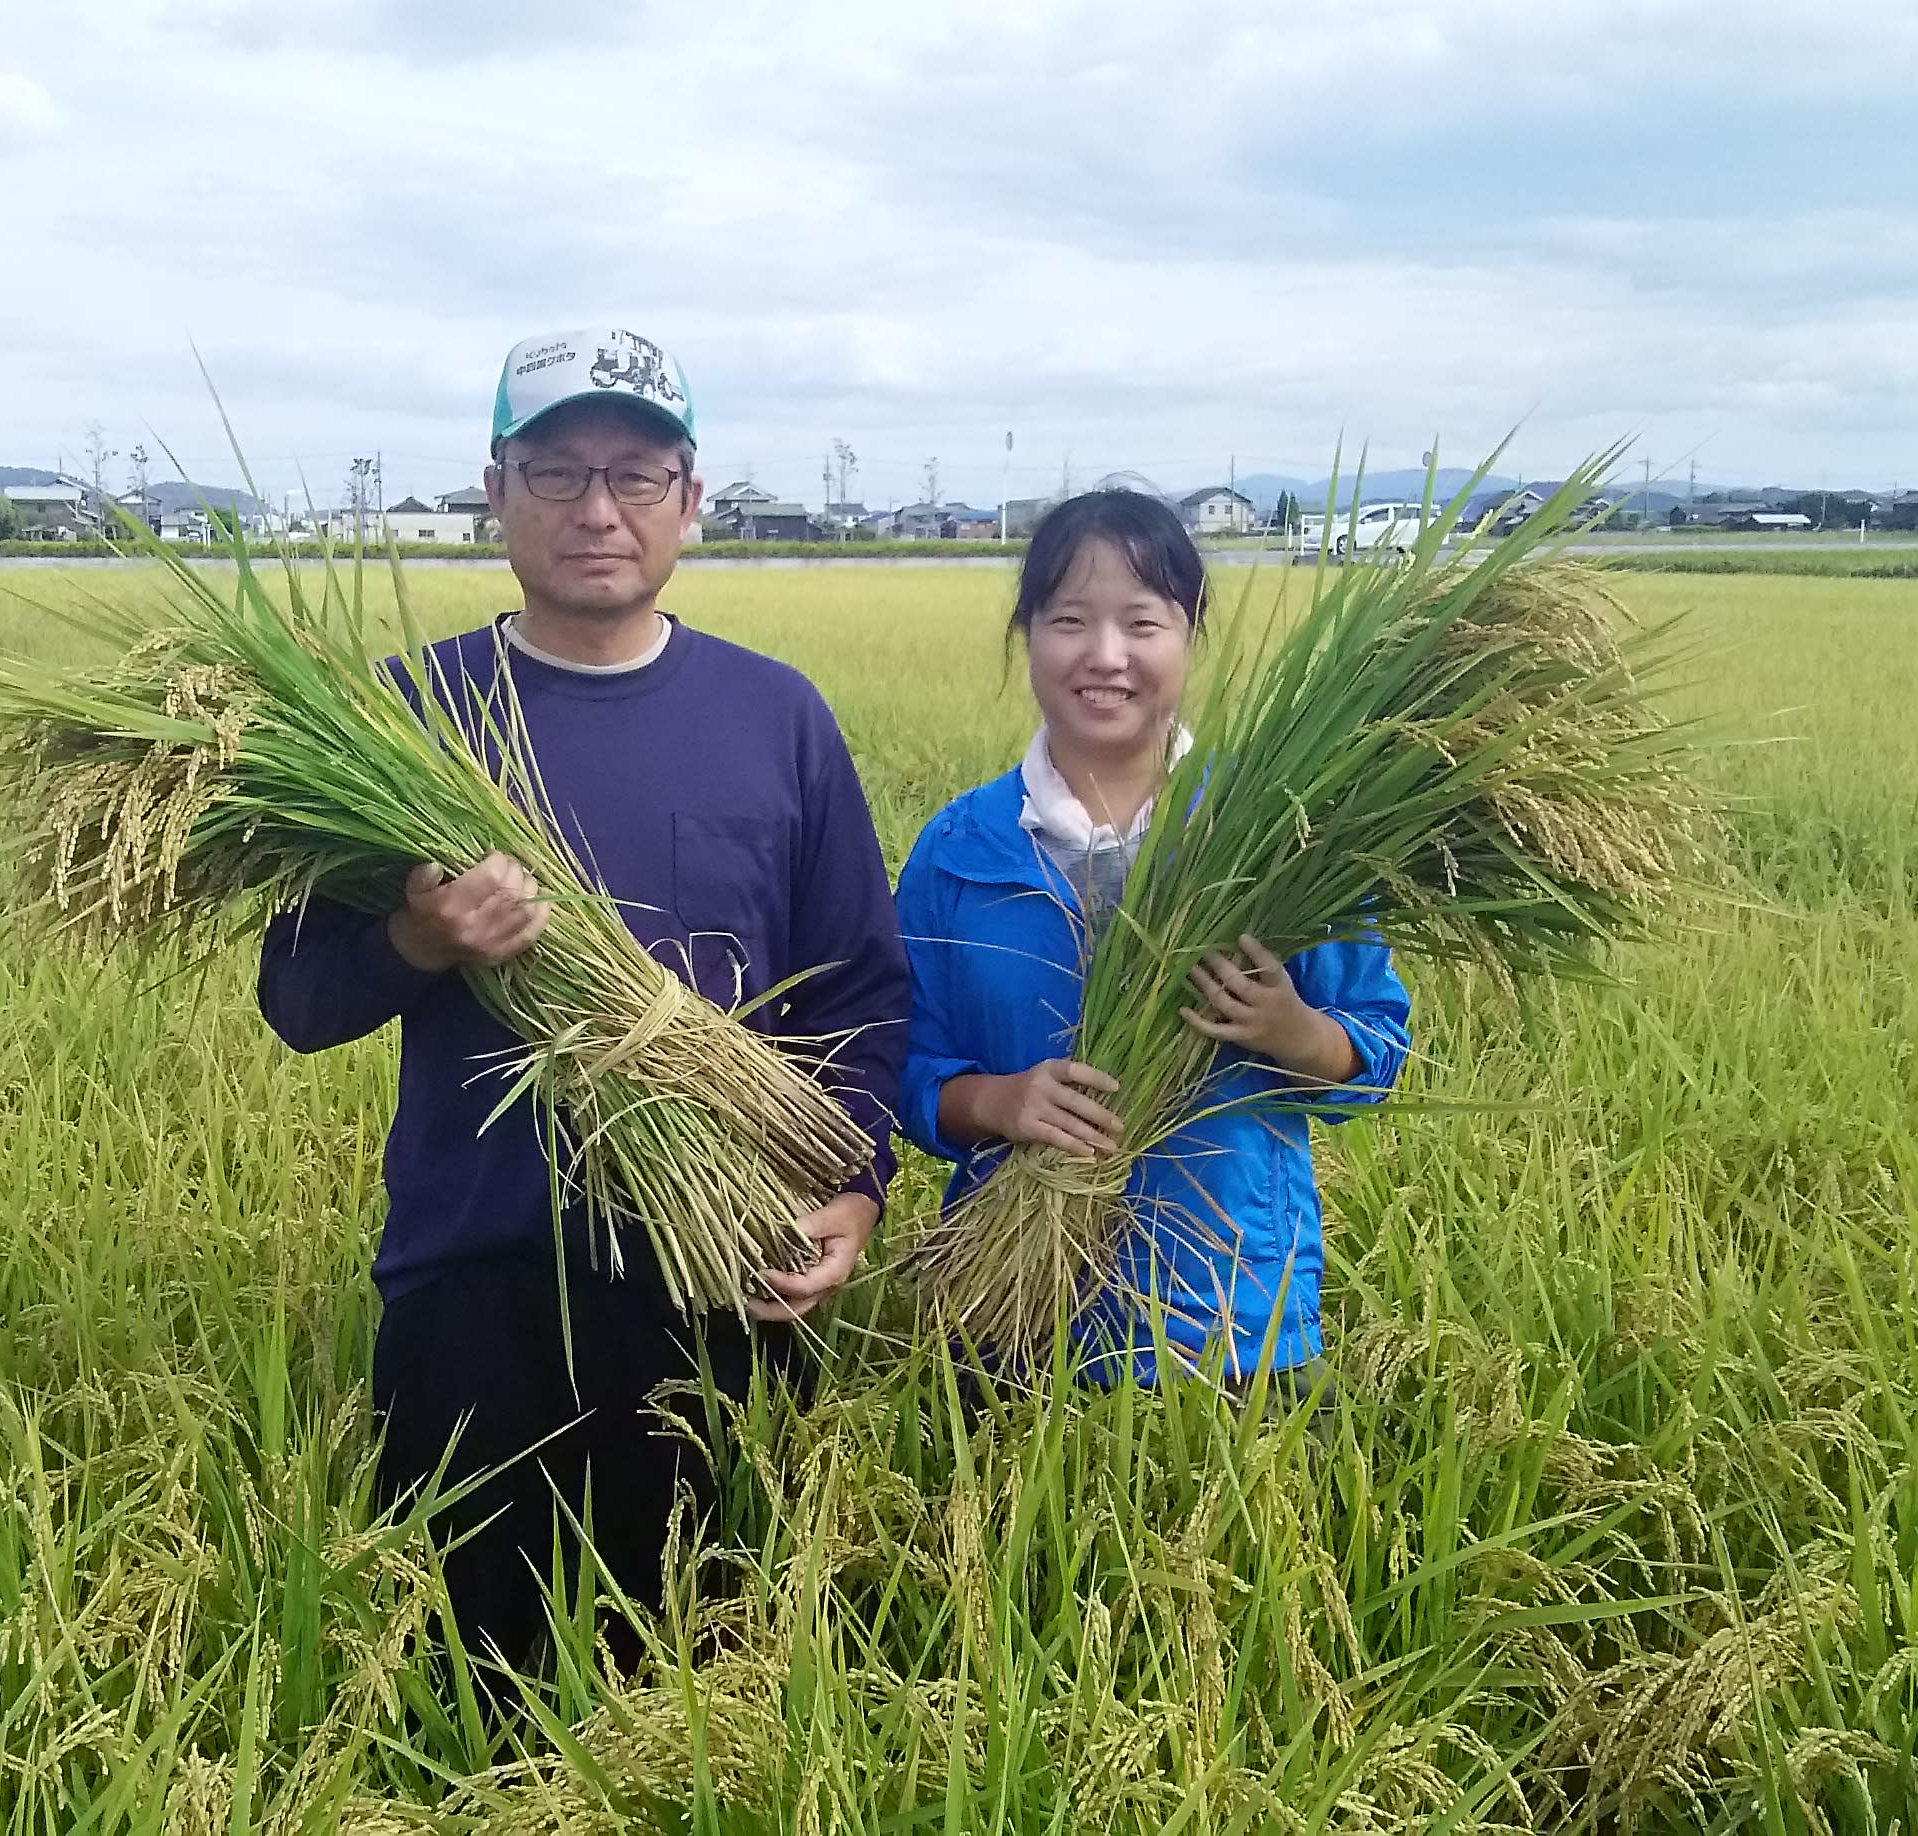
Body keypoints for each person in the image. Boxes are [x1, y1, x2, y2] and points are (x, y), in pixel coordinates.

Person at [257, 328, 907, 1667]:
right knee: (483, 1690)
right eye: (556, 471)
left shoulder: (775, 716)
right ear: (494, 489)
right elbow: (300, 996)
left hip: (732, 1272)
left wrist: (854, 1186)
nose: (596, 508)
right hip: (479, 1283)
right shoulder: (400, 721)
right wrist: (421, 939)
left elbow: (859, 990)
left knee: (723, 1687)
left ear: (693, 496)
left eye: (634, 471)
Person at [892, 487, 1410, 1384]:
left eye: (1142, 622)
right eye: (1069, 621)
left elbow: (1380, 1051)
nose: (1105, 656)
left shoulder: (1283, 835)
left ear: (1190, 633)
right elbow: (900, 1065)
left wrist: (1297, 1035)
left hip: (1235, 1320)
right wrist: (1001, 1103)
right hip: (1012, 1321)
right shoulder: (958, 851)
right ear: (1026, 637)